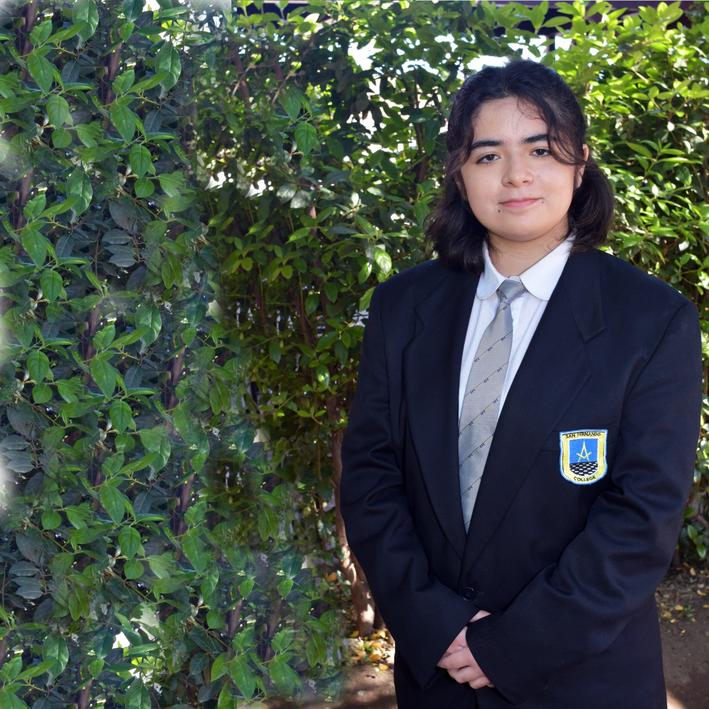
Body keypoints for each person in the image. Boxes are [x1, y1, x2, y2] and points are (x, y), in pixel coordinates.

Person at [340, 60, 702, 708]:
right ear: (459, 173)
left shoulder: (650, 319)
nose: (515, 175)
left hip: (582, 676)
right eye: (488, 155)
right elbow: (370, 473)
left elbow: (642, 514)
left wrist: (509, 646)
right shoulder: (403, 307)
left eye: (539, 149)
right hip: (438, 675)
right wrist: (434, 622)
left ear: (580, 163)